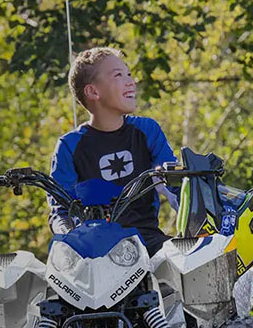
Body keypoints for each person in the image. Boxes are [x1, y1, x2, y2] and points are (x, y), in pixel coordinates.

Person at [49, 47, 177, 255]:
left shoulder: (146, 130)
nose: (130, 82)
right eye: (119, 75)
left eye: (129, 74)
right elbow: (60, 211)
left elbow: (174, 184)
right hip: (94, 251)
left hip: (148, 242)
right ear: (93, 92)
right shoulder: (69, 146)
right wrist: (70, 237)